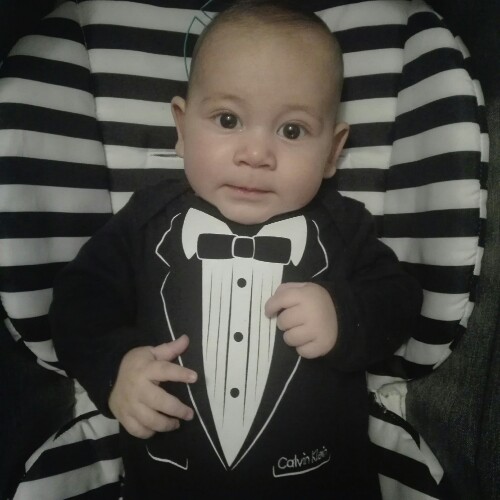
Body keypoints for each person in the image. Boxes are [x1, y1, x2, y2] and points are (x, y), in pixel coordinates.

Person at [50, 1, 422, 497]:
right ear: (182, 128)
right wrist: (115, 367)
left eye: (292, 131)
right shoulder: (145, 221)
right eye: (227, 120)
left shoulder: (344, 227)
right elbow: (77, 301)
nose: (255, 154)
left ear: (332, 152)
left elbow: (400, 300)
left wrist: (346, 315)